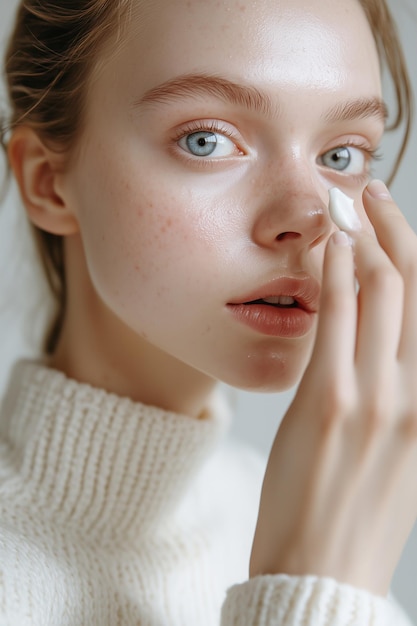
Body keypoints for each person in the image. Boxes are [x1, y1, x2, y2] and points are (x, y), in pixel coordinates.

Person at [0, 0, 416, 624]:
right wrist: (313, 590)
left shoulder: (324, 531)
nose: (305, 219)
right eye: (207, 140)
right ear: (46, 182)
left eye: (340, 156)